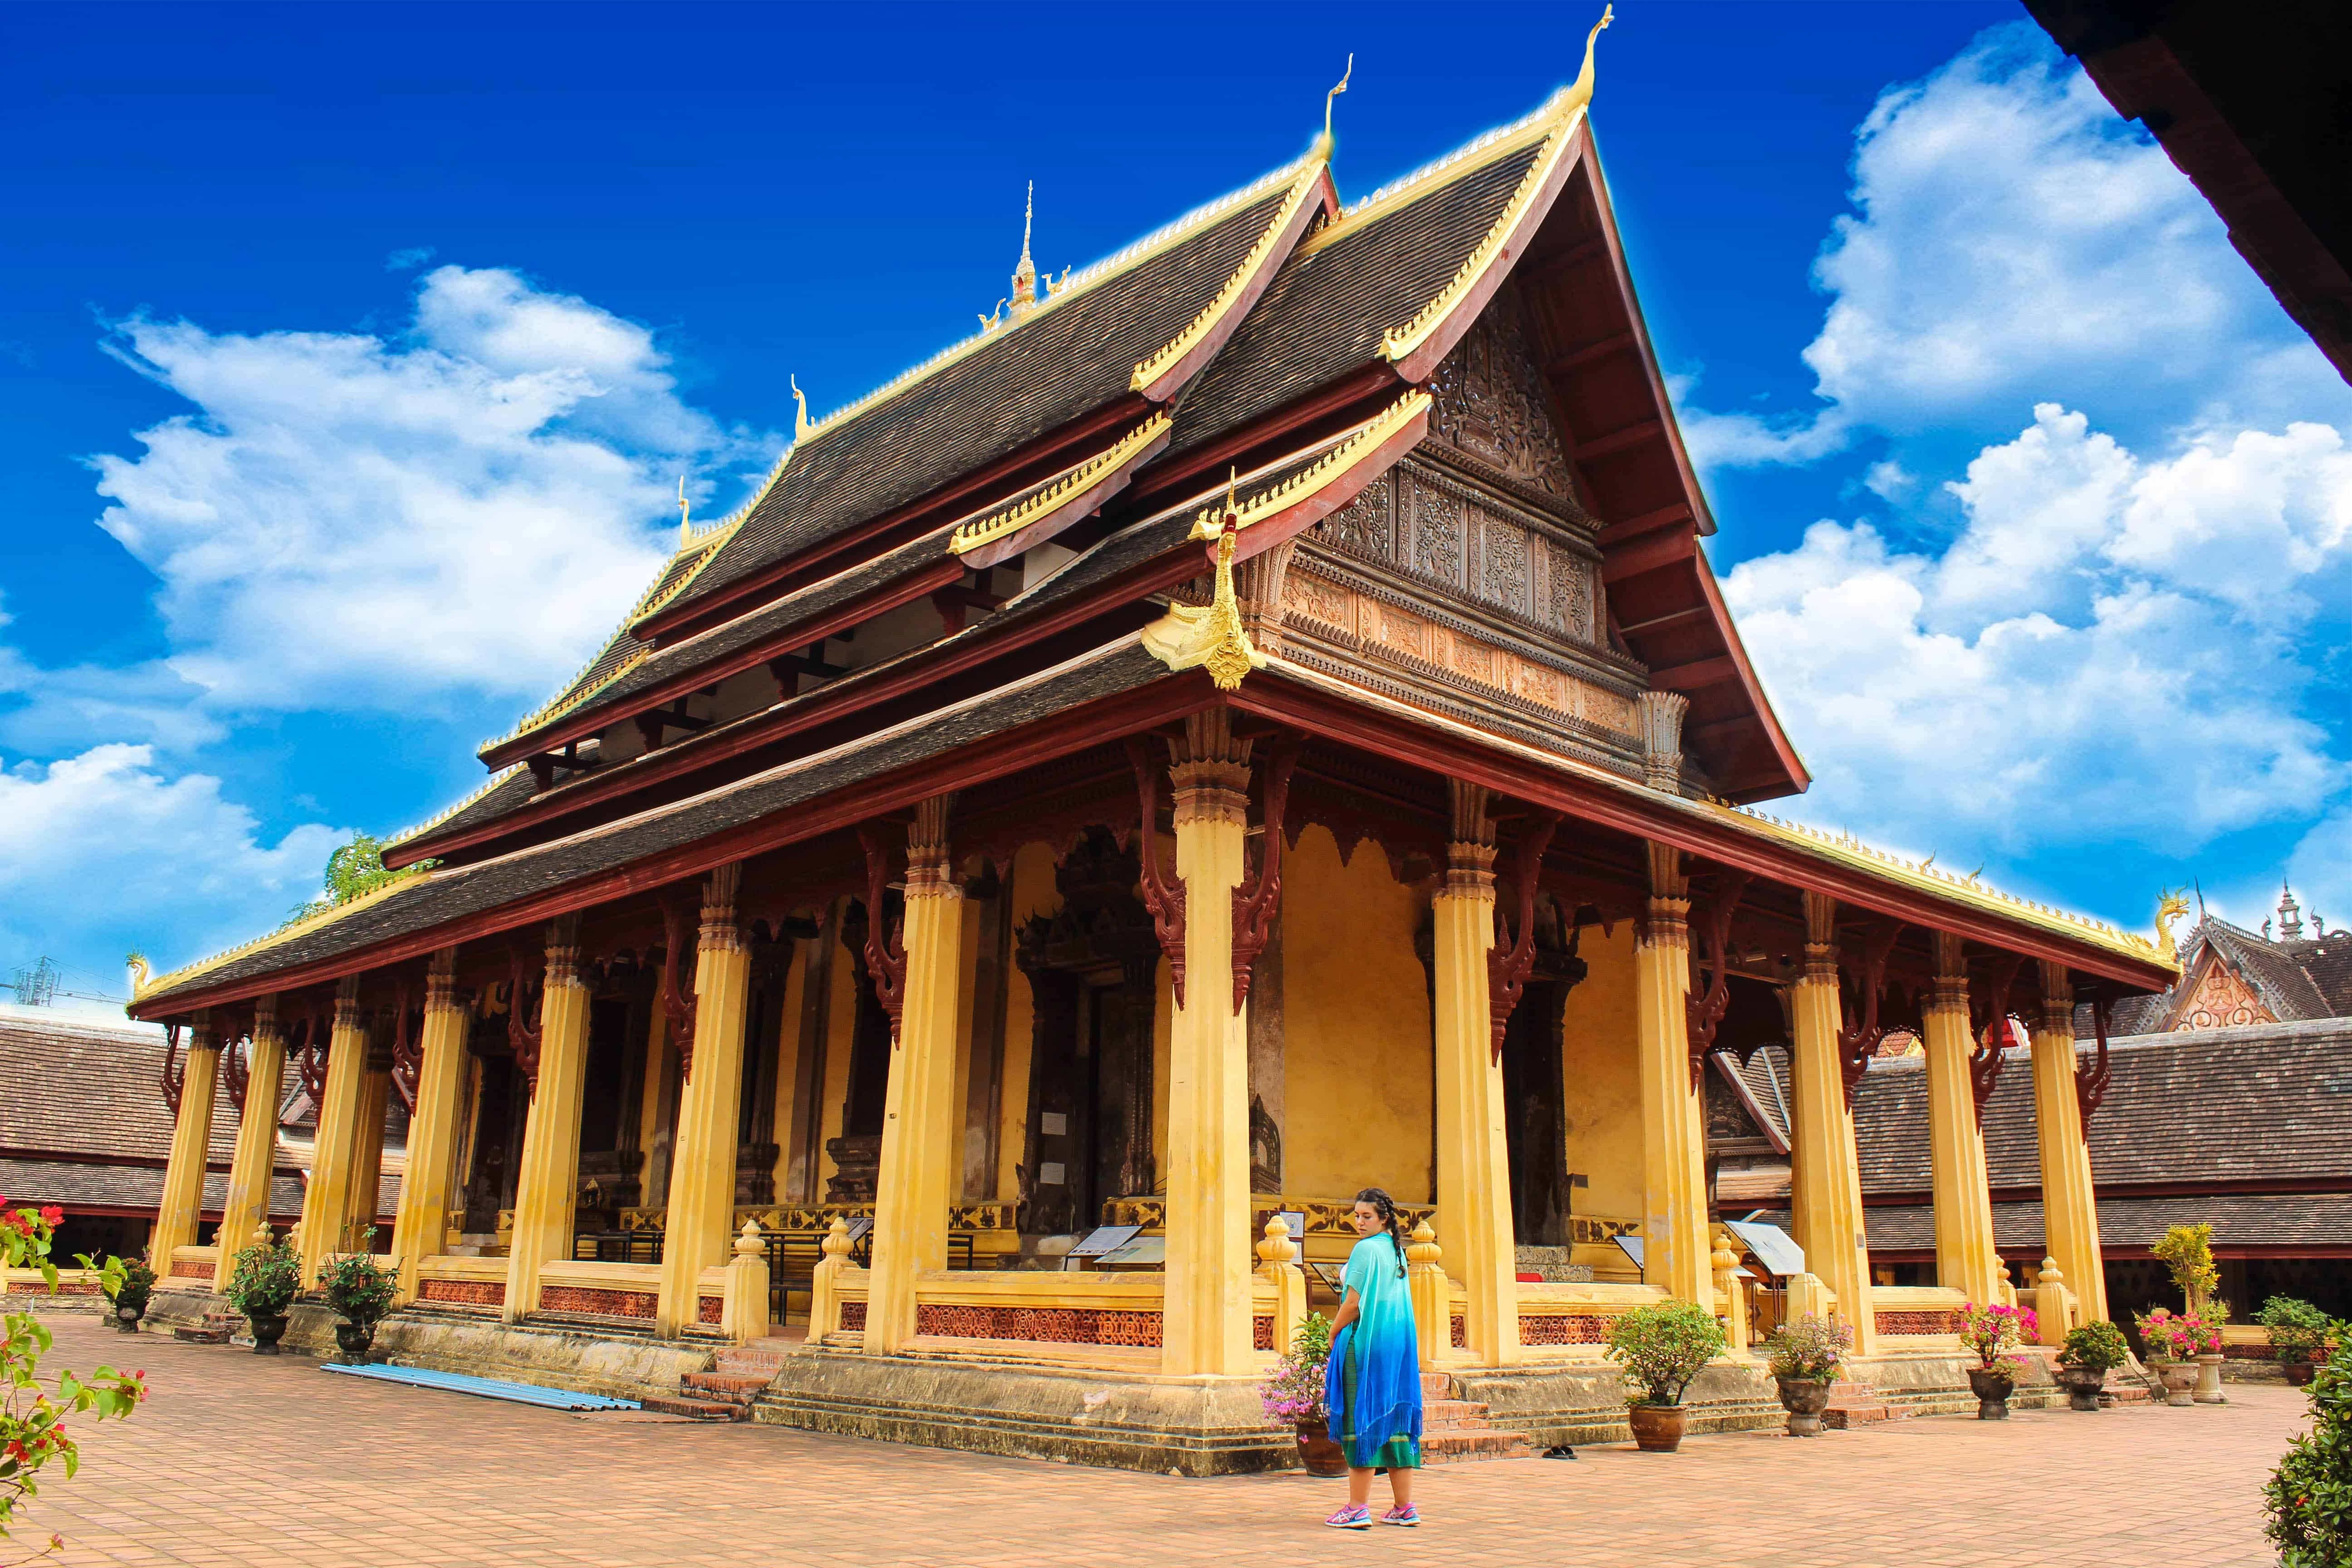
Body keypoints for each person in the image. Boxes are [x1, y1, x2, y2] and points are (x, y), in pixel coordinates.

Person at [1323, 1187, 1422, 1529]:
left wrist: (1333, 1332)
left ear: (1383, 1219)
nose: (1360, 1222)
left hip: (1364, 1347)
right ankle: (1404, 1507)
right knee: (1394, 1420)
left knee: (1359, 1420)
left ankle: (1356, 1508)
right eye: (1357, 1216)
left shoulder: (1365, 1250)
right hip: (1396, 1349)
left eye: (1367, 1216)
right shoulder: (1396, 1251)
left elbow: (1352, 1304)